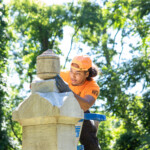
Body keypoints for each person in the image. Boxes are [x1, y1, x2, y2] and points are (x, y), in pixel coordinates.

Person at [55, 55, 101, 150]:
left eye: (78, 73)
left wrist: (68, 92)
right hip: (59, 111)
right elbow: (43, 80)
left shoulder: (92, 86)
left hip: (80, 112)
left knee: (91, 144)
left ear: (86, 74)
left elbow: (85, 105)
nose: (73, 76)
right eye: (71, 71)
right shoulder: (62, 75)